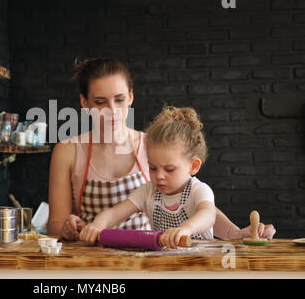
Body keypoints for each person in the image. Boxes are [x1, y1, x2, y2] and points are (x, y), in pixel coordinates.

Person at [48, 58, 276, 241]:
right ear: (84, 102)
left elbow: (198, 206)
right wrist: (70, 229)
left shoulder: (155, 145)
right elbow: (55, 227)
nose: (112, 111)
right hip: (96, 260)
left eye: (119, 99)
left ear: (130, 98)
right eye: (100, 102)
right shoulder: (68, 151)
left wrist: (238, 233)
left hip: (150, 256)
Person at [80, 106, 216, 249]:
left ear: (193, 166)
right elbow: (113, 214)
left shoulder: (199, 190)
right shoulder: (148, 191)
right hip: (162, 264)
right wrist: (96, 225)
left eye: (169, 169)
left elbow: (207, 215)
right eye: (153, 168)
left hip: (200, 264)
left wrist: (186, 229)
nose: (159, 176)